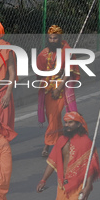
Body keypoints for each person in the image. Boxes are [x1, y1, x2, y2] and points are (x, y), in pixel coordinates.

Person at [37, 112, 100, 200]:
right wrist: (43, 180)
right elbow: (52, 161)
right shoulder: (61, 140)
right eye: (65, 122)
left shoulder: (86, 142)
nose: (67, 125)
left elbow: (90, 167)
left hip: (78, 186)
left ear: (79, 124)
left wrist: (88, 186)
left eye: (71, 122)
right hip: (62, 185)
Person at [37, 25, 80, 157]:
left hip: (61, 89)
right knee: (52, 118)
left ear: (60, 38)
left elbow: (68, 72)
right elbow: (40, 70)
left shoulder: (67, 50)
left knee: (55, 117)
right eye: (50, 38)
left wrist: (58, 88)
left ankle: (47, 145)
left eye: (55, 38)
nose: (52, 40)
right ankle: (63, 142)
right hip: (48, 88)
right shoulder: (45, 52)